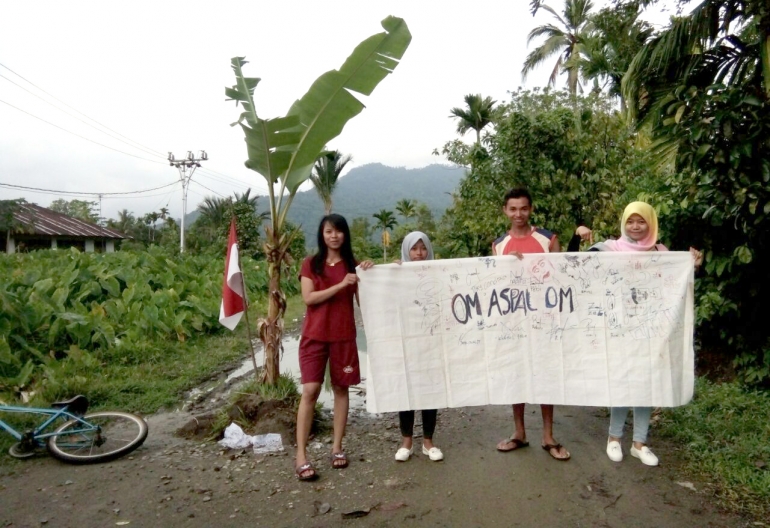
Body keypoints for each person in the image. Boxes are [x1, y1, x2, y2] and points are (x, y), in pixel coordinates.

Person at [567, 201, 703, 466]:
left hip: (651, 332)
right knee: (622, 383)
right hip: (617, 331)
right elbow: (574, 264)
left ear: (651, 223)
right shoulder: (610, 248)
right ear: (624, 223)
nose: (636, 226)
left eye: (641, 221)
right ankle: (614, 439)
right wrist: (576, 235)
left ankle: (640, 444)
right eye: (631, 221)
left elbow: (676, 286)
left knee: (646, 385)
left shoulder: (662, 253)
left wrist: (693, 266)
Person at [493, 187, 570, 461]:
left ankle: (548, 436)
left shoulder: (548, 239)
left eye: (523, 208)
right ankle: (519, 433)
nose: (518, 214)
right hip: (514, 322)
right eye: (513, 209)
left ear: (531, 209)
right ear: (505, 211)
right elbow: (496, 284)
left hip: (544, 320)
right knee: (517, 373)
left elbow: (562, 277)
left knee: (545, 374)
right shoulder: (499, 245)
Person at [294, 214, 373, 481]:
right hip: (314, 337)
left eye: (339, 231)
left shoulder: (353, 266)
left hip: (343, 337)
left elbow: (365, 302)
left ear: (345, 235)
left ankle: (337, 447)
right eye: (329, 231)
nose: (334, 236)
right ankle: (301, 456)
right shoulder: (310, 265)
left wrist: (377, 273)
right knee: (310, 390)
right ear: (322, 234)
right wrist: (341, 284)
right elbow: (309, 298)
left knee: (341, 388)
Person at [393, 231, 443, 462]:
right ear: (407, 250)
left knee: (429, 388)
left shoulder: (438, 274)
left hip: (430, 340)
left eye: (423, 248)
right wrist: (385, 272)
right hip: (406, 341)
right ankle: (406, 442)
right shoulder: (396, 273)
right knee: (407, 388)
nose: (419, 253)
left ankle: (428, 442)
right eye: (414, 248)